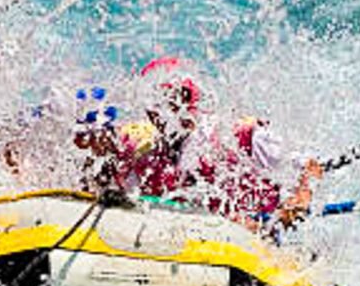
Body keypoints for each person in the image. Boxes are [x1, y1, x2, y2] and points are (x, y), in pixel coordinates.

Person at [75, 57, 322, 231]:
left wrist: (300, 199)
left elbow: (310, 166)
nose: (169, 109)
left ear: (192, 100)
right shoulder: (145, 154)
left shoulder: (237, 134)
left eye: (179, 98)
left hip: (259, 237)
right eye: (159, 103)